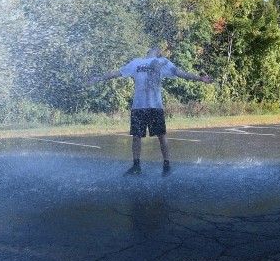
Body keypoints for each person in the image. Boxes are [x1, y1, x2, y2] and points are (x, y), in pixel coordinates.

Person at [89, 47, 213, 176]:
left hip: (151, 106)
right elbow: (117, 73)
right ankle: (140, 166)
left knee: (157, 136)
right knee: (141, 136)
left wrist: (199, 78)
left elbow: (179, 73)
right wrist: (98, 78)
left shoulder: (161, 62)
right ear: (153, 52)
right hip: (141, 106)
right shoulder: (139, 62)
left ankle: (165, 166)